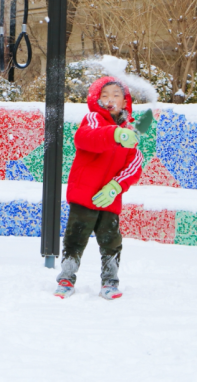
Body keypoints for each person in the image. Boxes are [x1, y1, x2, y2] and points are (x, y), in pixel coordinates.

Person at [54, 76, 143, 300]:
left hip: (109, 198)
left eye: (116, 95)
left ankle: (110, 282)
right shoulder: (94, 119)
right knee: (75, 238)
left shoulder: (130, 131)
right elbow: (85, 139)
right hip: (84, 194)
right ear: (97, 101)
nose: (110, 99)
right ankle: (66, 278)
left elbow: (134, 164)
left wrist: (116, 186)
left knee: (111, 241)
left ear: (125, 102)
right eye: (104, 96)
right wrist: (114, 134)